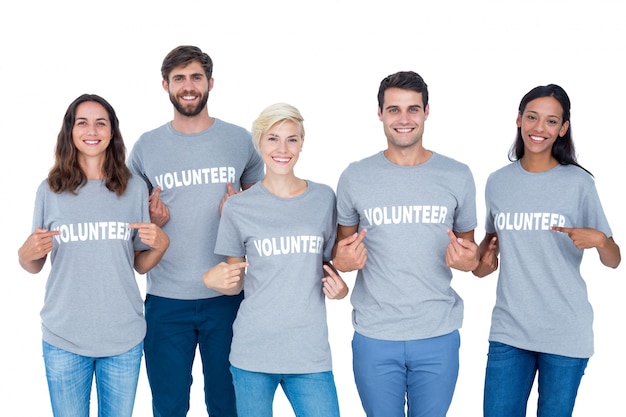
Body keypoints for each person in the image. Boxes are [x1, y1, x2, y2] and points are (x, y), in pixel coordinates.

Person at [332, 71, 480, 417]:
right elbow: (342, 251)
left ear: (427, 111)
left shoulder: (457, 175)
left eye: (413, 109)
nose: (404, 119)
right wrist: (344, 261)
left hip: (438, 332)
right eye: (394, 109)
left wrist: (468, 261)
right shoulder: (355, 176)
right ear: (380, 113)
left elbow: (470, 254)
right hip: (375, 334)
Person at [128, 45, 265, 417]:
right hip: (166, 301)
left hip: (229, 298)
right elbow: (129, 219)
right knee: (169, 405)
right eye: (179, 79)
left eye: (195, 78)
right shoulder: (145, 147)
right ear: (165, 85)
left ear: (210, 83)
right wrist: (152, 222)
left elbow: (266, 210)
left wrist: (239, 211)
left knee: (228, 403)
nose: (188, 86)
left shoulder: (240, 141)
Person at [473, 84, 621, 417]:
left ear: (563, 128)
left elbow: (614, 260)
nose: (539, 129)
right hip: (509, 331)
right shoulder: (497, 182)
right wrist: (480, 264)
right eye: (532, 118)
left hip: (565, 333)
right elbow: (486, 255)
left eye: (551, 121)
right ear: (519, 120)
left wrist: (599, 241)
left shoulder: (579, 184)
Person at [17, 93, 170, 417]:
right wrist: (24, 254)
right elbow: (34, 263)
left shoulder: (133, 189)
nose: (92, 130)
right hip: (64, 337)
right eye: (82, 122)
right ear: (69, 131)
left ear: (112, 131)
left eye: (101, 122)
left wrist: (161, 244)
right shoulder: (50, 190)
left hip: (123, 337)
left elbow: (139, 264)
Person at [202, 102, 347, 417]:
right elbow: (233, 279)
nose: (283, 148)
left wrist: (342, 290)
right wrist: (210, 279)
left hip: (310, 353)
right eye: (272, 138)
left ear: (302, 143)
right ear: (259, 143)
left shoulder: (324, 198)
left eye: (291, 139)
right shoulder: (238, 207)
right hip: (253, 353)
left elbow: (328, 266)